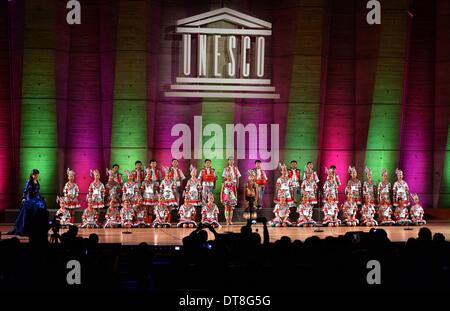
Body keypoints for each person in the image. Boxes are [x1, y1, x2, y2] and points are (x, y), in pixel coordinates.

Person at [9, 169, 47, 236]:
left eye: (37, 175)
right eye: (35, 175)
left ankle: (38, 228)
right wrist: (24, 198)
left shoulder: (37, 181)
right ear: (32, 175)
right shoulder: (29, 181)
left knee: (42, 205)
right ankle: (27, 229)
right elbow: (25, 191)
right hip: (30, 199)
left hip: (36, 198)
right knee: (32, 208)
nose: (36, 176)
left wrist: (42, 197)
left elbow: (38, 192)